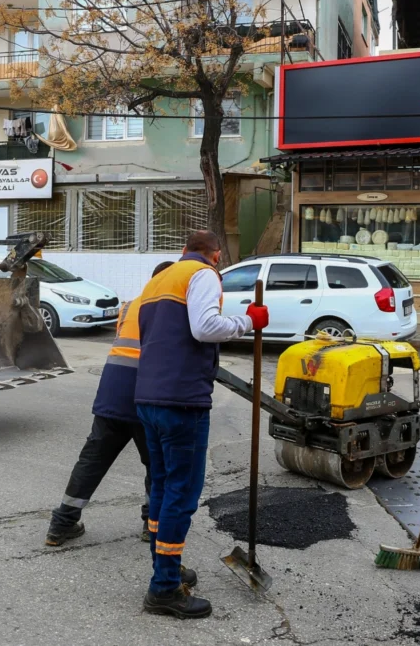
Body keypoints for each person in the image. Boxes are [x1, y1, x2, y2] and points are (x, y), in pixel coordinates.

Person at [135, 230, 268, 620]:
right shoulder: (204, 274)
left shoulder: (159, 280)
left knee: (161, 487)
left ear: (182, 251)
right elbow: (204, 327)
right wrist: (248, 320)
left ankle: (167, 570)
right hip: (181, 402)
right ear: (215, 255)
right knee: (181, 493)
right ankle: (163, 590)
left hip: (149, 398)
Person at [45, 261, 177, 547]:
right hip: (147, 396)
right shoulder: (171, 309)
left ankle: (62, 523)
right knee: (157, 464)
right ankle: (150, 525)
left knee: (93, 460)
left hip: (113, 392)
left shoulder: (130, 305)